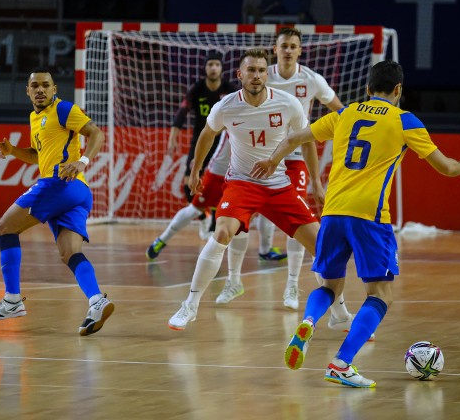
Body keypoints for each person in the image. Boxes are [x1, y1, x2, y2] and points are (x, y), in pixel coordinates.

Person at [251, 60, 460, 387]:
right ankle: (341, 363)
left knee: (329, 286)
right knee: (381, 294)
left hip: (332, 211)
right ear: (398, 90)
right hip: (370, 216)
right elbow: (444, 167)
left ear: (368, 89)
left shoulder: (344, 114)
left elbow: (296, 138)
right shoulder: (405, 121)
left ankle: (309, 321)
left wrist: (272, 161)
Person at [168, 48, 351, 331]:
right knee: (222, 232)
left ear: (268, 74)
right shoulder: (226, 106)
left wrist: (315, 181)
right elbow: (207, 134)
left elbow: (307, 140)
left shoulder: (289, 104)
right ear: (240, 74)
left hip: (279, 186)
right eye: (251, 70)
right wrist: (195, 170)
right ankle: (190, 305)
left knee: (322, 246)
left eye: (262, 70)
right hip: (241, 183)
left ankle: (339, 313)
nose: (257, 76)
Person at [217, 27, 347, 317]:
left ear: (300, 51)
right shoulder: (260, 73)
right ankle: (233, 280)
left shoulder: (312, 80)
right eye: (283, 46)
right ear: (275, 49)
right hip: (257, 155)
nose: (288, 50)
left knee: (297, 217)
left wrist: (357, 129)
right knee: (238, 219)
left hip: (295, 155)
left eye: (293, 46)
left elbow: (340, 111)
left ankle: (291, 285)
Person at [0, 67, 114, 336]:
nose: (40, 90)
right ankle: (97, 301)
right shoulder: (34, 117)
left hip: (59, 184)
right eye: (35, 86)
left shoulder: (64, 109)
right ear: (27, 91)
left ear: (55, 89)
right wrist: (13, 151)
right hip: (76, 194)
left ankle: (12, 300)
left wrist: (82, 160)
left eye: (45, 85)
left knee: (5, 228)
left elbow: (97, 133)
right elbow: (36, 156)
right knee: (69, 253)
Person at [147, 51, 239, 259]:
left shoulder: (232, 92)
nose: (213, 68)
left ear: (222, 68)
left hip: (229, 153)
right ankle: (200, 219)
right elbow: (181, 114)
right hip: (202, 143)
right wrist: (172, 139)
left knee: (230, 205)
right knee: (191, 187)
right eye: (210, 65)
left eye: (217, 64)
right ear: (205, 68)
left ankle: (237, 250)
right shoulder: (197, 90)